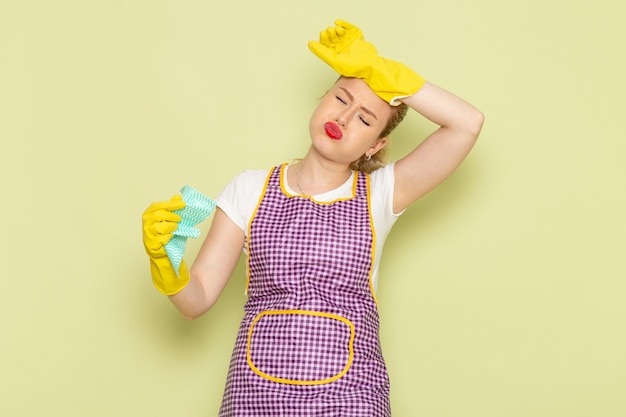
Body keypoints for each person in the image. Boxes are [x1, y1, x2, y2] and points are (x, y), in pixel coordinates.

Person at [142, 19, 484, 417]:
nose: (343, 118)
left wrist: (382, 69)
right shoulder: (249, 188)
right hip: (256, 394)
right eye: (341, 99)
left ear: (377, 144)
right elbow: (195, 301)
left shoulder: (382, 193)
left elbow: (467, 124)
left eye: (365, 118)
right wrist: (168, 265)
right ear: (322, 100)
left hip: (352, 395)